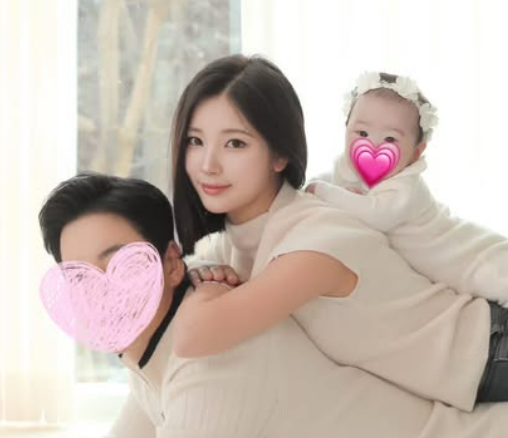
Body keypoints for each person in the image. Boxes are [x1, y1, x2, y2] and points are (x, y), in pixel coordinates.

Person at [0, 177, 508, 438]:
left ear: (172, 263)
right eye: (80, 277)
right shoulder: (160, 340)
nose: (102, 292)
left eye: (120, 266)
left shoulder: (216, 357)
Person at [170, 54, 508, 409]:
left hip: (489, 348)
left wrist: (208, 288)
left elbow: (192, 337)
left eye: (235, 143)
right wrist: (203, 271)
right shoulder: (242, 240)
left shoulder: (312, 241)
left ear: (280, 154)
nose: (208, 164)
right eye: (195, 141)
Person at [309, 70, 508, 308]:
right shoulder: (347, 167)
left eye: (390, 139)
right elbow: (329, 184)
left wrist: (320, 191)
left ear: (416, 152)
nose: (373, 145)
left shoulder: (407, 186)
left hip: (475, 257)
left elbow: (376, 214)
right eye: (362, 133)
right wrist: (311, 187)